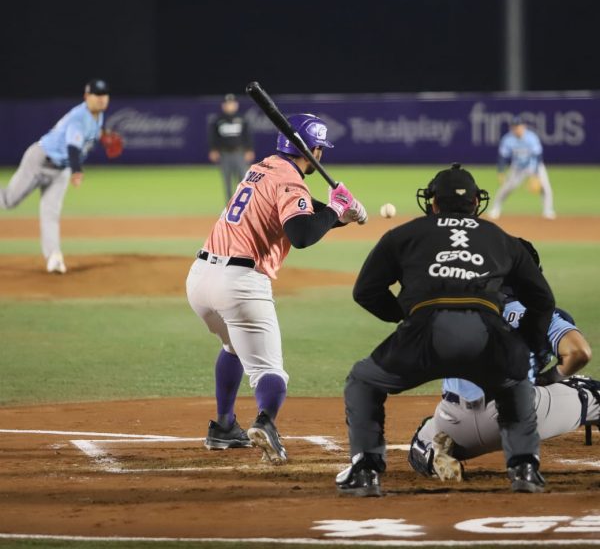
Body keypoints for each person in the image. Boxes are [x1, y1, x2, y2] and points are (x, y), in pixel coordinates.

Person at [335, 163, 555, 497]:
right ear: (476, 203)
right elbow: (542, 299)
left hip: (424, 332)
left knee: (363, 381)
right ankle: (524, 469)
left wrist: (403, 315)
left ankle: (365, 471)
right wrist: (525, 343)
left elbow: (365, 291)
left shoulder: (404, 234)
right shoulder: (501, 238)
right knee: (515, 383)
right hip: (487, 333)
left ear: (433, 203)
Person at [186, 114, 367, 464]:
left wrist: (338, 214)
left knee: (233, 346)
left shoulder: (263, 168)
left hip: (201, 278)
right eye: (320, 148)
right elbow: (301, 235)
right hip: (240, 284)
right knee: (270, 372)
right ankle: (266, 423)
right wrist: (335, 208)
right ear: (313, 150)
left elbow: (302, 214)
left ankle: (224, 427)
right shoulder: (290, 181)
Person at [408, 251, 598, 481]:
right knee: (590, 389)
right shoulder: (541, 314)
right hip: (517, 416)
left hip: (455, 421)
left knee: (423, 438)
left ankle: (431, 457)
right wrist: (550, 377)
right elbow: (579, 353)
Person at [0, 79, 111, 273]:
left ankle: (54, 258)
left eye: (104, 95)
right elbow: (73, 147)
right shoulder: (79, 118)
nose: (101, 99)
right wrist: (77, 170)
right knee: (9, 201)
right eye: (96, 95)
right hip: (39, 161)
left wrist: (104, 136)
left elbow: (94, 132)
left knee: (50, 214)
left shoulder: (98, 116)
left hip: (61, 170)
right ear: (87, 96)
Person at [489, 116, 556, 220]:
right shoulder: (508, 139)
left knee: (545, 187)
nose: (517, 129)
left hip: (534, 165)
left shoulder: (531, 137)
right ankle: (495, 209)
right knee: (506, 188)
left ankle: (548, 210)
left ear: (524, 126)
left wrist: (535, 175)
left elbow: (538, 156)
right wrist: (501, 171)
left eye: (519, 126)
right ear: (512, 128)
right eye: (515, 127)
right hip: (517, 168)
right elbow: (502, 156)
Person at [207, 93, 255, 203]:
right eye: (227, 103)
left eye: (232, 103)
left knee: (243, 180)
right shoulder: (218, 120)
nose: (230, 105)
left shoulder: (242, 119)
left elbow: (247, 135)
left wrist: (249, 149)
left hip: (239, 153)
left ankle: (244, 204)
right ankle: (229, 206)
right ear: (223, 106)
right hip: (224, 154)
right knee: (227, 180)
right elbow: (213, 136)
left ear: (236, 105)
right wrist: (213, 149)